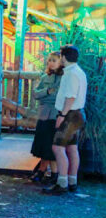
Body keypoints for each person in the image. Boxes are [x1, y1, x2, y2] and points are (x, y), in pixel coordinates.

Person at [43, 45, 87, 195]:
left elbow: (71, 97)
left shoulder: (71, 74)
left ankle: (62, 183)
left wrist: (62, 116)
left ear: (64, 57)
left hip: (70, 115)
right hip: (78, 114)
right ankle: (72, 181)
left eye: (61, 55)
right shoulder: (78, 71)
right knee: (72, 148)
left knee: (58, 148)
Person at [29, 52, 62, 183]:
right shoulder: (44, 77)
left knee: (50, 145)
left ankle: (50, 173)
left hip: (55, 115)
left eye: (54, 60)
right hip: (43, 115)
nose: (51, 63)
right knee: (42, 144)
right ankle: (43, 172)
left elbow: (58, 96)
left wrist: (45, 96)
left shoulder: (63, 78)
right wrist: (47, 92)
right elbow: (35, 94)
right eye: (49, 60)